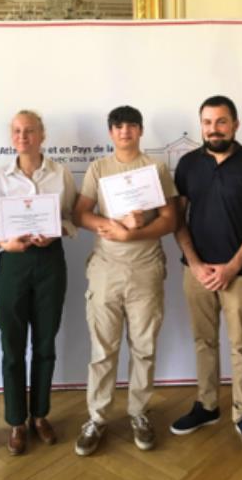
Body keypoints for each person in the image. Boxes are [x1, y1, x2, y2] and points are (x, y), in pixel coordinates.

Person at [171, 95, 242, 459]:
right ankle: (208, 406)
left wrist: (231, 267)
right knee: (204, 342)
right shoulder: (186, 164)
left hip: (241, 273)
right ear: (200, 125)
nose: (213, 129)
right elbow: (177, 220)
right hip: (195, 272)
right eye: (207, 122)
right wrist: (196, 263)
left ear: (235, 125)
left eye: (221, 122)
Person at [73, 105, 177, 456]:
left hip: (146, 269)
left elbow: (171, 220)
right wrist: (111, 226)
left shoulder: (155, 167)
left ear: (140, 131)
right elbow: (80, 213)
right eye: (118, 126)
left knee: (144, 348)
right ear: (110, 132)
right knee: (103, 349)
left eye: (132, 126)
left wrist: (136, 233)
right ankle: (97, 417)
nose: (125, 132)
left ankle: (138, 412)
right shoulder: (98, 168)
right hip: (105, 270)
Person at [0, 110, 77, 455]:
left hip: (49, 263)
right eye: (17, 131)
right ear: (12, 137)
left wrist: (56, 233)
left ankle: (40, 415)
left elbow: (70, 218)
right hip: (12, 263)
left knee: (44, 344)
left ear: (42, 135)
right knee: (12, 349)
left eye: (30, 130)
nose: (23, 136)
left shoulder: (61, 173)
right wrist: (4, 242)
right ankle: (16, 421)